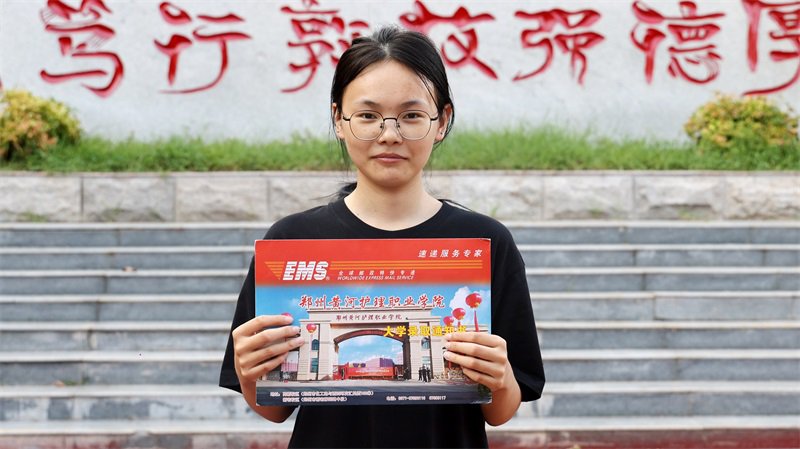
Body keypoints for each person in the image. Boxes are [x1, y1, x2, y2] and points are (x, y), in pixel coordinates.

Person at [219, 25, 545, 449]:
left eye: (411, 116)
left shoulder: (484, 242)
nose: (389, 134)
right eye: (368, 116)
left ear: (442, 121)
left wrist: (499, 378)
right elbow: (275, 409)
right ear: (339, 120)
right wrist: (250, 372)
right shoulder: (291, 242)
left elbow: (500, 412)